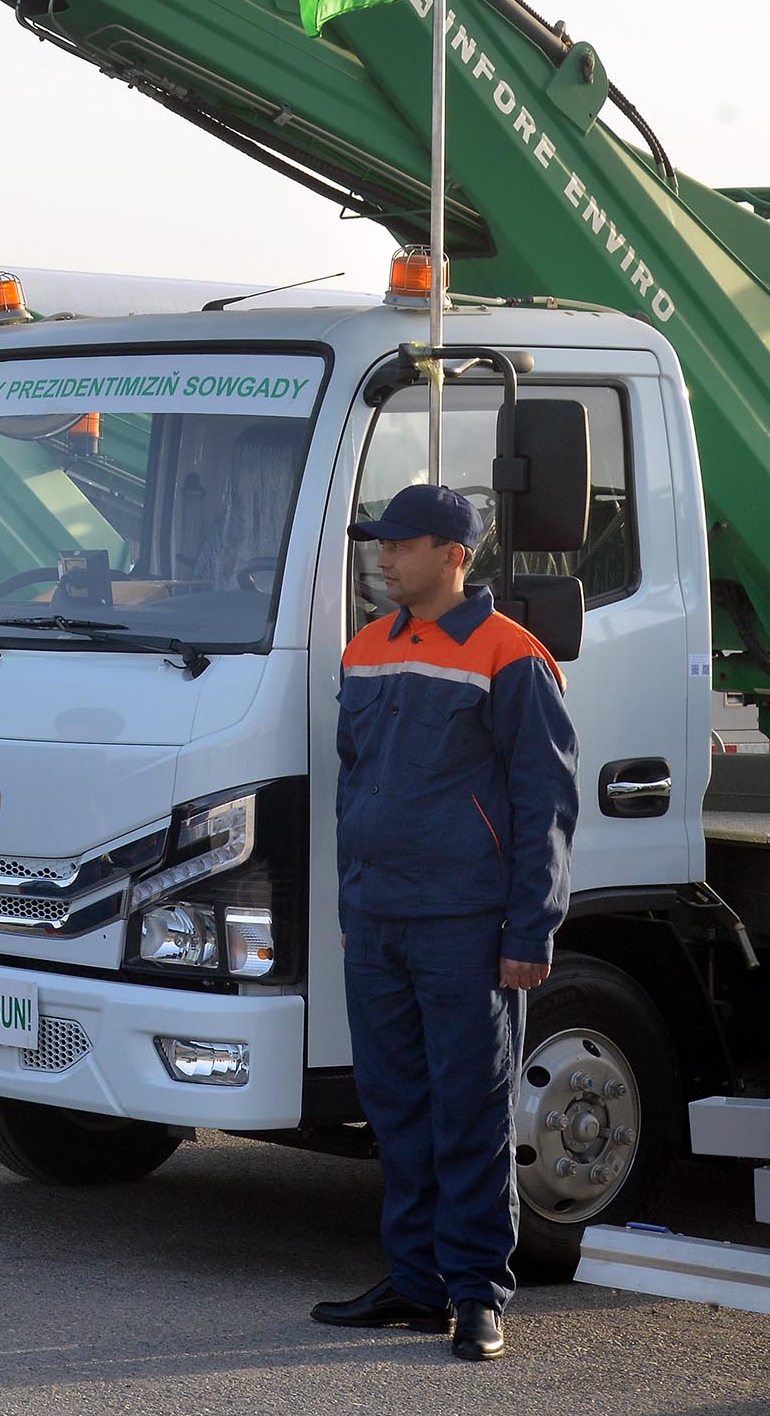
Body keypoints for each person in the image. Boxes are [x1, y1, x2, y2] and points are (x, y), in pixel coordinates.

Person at [313, 483, 577, 1364]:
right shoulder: (364, 646)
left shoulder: (511, 654)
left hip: (464, 925)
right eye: (380, 544)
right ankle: (415, 1282)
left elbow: (544, 803)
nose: (383, 558)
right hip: (379, 917)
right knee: (394, 1106)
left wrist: (529, 930)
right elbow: (355, 782)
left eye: (400, 545)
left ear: (453, 554)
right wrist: (352, 900)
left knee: (469, 1106)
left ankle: (474, 1294)